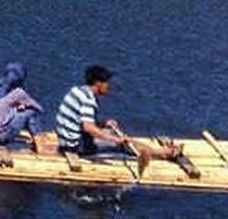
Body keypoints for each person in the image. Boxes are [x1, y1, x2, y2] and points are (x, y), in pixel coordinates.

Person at [55, 65, 183, 162]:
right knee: (126, 143)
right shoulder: (88, 100)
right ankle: (165, 153)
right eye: (106, 83)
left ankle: (160, 151)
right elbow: (88, 128)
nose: (108, 86)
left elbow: (81, 120)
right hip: (76, 146)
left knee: (112, 133)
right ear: (98, 83)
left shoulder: (76, 91)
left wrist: (103, 123)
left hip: (66, 140)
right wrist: (117, 139)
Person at [0, 61, 46, 151]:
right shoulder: (18, 93)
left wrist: (17, 107)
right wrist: (25, 105)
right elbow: (40, 110)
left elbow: (1, 108)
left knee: (20, 113)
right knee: (31, 113)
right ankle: (40, 146)